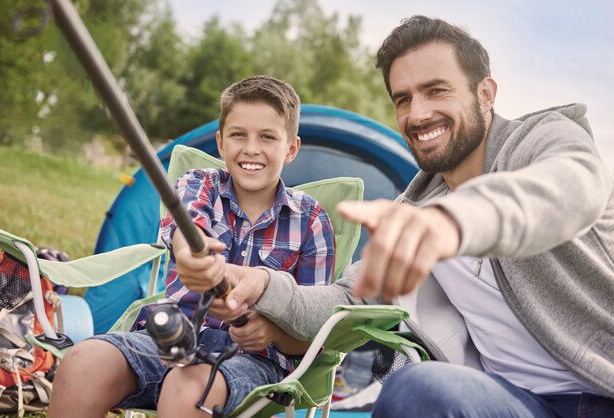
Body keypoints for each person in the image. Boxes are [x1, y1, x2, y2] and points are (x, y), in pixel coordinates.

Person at [199, 16, 614, 417]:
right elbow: (347, 300)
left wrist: (452, 222)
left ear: (485, 93)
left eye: (436, 91)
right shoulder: (415, 206)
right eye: (403, 99)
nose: (417, 115)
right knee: (417, 386)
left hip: (602, 389)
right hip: (512, 403)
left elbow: (569, 186)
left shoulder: (542, 141)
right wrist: (262, 283)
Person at [48, 75, 335, 418]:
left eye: (268, 137)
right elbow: (187, 233)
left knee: (187, 389)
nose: (251, 148)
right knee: (83, 362)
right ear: (221, 141)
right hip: (169, 340)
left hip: (254, 362)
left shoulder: (312, 221)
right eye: (238, 134)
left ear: (291, 148)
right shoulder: (197, 184)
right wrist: (189, 257)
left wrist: (272, 333)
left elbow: (314, 334)